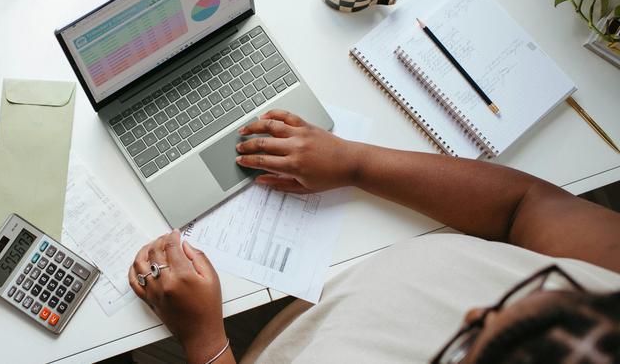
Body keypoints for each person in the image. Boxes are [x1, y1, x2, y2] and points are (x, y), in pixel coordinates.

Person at [128, 110, 620, 363]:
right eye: (540, 287)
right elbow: (525, 206)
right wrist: (355, 163)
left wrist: (205, 340)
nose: (473, 310)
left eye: (465, 345)